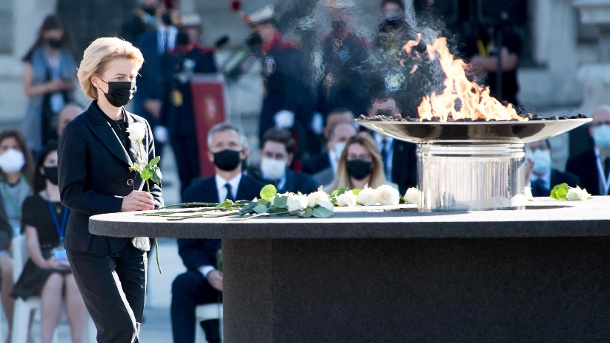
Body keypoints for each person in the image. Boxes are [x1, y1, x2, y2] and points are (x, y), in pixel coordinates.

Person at [58, 37, 163, 342]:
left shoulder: (142, 126)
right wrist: (120, 204)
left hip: (134, 243)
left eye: (132, 77)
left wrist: (152, 204)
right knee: (120, 328)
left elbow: (154, 183)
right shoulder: (78, 130)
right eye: (119, 78)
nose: (128, 84)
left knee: (131, 332)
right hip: (91, 246)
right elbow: (71, 193)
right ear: (96, 80)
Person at [172, 123, 264, 343]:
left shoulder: (263, 192)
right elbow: (188, 246)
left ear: (244, 152)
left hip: (251, 280)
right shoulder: (194, 193)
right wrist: (209, 272)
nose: (225, 149)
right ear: (210, 155)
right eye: (219, 145)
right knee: (182, 284)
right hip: (210, 279)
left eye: (232, 144)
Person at [12, 142, 88, 343]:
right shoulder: (32, 203)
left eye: (60, 162)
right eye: (51, 162)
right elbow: (31, 243)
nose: (56, 166)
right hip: (43, 264)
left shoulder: (78, 201)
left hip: (74, 262)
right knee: (54, 279)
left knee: (74, 281)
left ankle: (78, 340)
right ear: (42, 169)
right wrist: (44, 263)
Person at [245, 5, 315, 151]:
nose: (256, 33)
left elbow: (294, 82)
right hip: (269, 102)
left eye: (258, 28)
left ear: (268, 26)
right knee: (264, 141)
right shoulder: (263, 49)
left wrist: (288, 110)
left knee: (282, 146)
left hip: (284, 103)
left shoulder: (286, 49)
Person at [161, 14, 218, 193]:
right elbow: (166, 90)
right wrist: (163, 122)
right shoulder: (171, 55)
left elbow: (210, 86)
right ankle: (185, 204)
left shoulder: (204, 55)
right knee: (182, 172)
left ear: (198, 30)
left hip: (197, 122)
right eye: (184, 29)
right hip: (176, 121)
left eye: (191, 29)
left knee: (197, 170)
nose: (188, 33)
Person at [22, 14, 77, 154]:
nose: (56, 37)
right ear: (44, 34)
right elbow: (28, 90)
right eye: (52, 33)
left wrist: (63, 84)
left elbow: (74, 82)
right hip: (40, 114)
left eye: (58, 33)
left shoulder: (67, 54)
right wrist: (50, 86)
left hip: (63, 108)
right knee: (40, 152)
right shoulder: (33, 56)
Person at [0, 129, 34, 337]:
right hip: (4, 246)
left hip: (32, 243)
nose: (10, 152)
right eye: (5, 148)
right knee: (8, 268)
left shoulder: (35, 183)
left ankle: (23, 333)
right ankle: (16, 331)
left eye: (15, 148)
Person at [134, 3, 178, 155]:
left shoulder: (184, 39)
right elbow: (137, 73)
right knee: (148, 162)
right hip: (149, 108)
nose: (166, 12)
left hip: (176, 109)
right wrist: (147, 101)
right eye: (163, 8)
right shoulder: (146, 40)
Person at [317, 0, 370, 119]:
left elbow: (363, 78)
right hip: (330, 102)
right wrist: (318, 108)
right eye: (335, 12)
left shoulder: (359, 44)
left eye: (342, 12)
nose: (338, 16)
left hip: (351, 102)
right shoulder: (326, 42)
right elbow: (323, 74)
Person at [463, 24, 523, 109]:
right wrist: (494, 63)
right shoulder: (470, 38)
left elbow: (508, 63)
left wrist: (480, 61)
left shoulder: (508, 35)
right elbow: (465, 68)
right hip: (475, 104)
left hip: (507, 102)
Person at [367, 94, 417, 194]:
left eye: (389, 113)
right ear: (369, 113)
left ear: (398, 113)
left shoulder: (409, 143)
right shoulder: (362, 143)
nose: (384, 118)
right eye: (379, 113)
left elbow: (414, 180)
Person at [251, 128, 319, 193]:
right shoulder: (249, 183)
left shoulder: (307, 185)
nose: (273, 160)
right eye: (268, 154)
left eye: (279, 156)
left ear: (289, 159)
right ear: (261, 154)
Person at [325, 131, 397, 192]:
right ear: (345, 159)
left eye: (363, 157)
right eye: (352, 156)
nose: (358, 160)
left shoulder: (391, 193)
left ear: (373, 162)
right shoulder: (328, 193)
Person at [566, 105, 610, 195]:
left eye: (608, 123)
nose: (603, 128)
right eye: (598, 124)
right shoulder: (576, 164)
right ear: (591, 131)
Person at [302, 108, 356, 175]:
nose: (342, 128)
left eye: (348, 125)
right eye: (335, 125)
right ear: (325, 131)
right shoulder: (310, 167)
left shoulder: (368, 164)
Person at [310, 122, 357, 187]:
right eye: (342, 139)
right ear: (330, 145)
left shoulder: (371, 175)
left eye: (352, 139)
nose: (348, 144)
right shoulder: (316, 181)